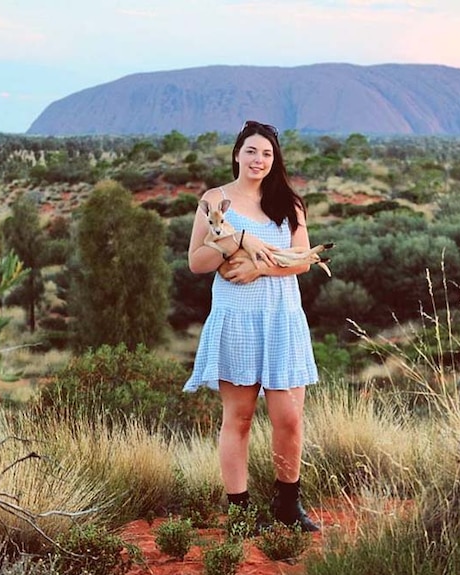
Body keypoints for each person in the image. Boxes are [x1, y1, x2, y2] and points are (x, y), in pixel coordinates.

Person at [183, 120, 320, 532]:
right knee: (238, 418)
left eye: (267, 154)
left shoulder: (289, 203)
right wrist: (238, 238)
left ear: (274, 160)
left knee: (289, 417)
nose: (258, 160)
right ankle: (240, 512)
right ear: (237, 154)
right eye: (251, 151)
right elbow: (197, 262)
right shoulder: (215, 200)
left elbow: (303, 260)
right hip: (238, 319)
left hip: (282, 318)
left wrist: (259, 268)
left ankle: (287, 505)